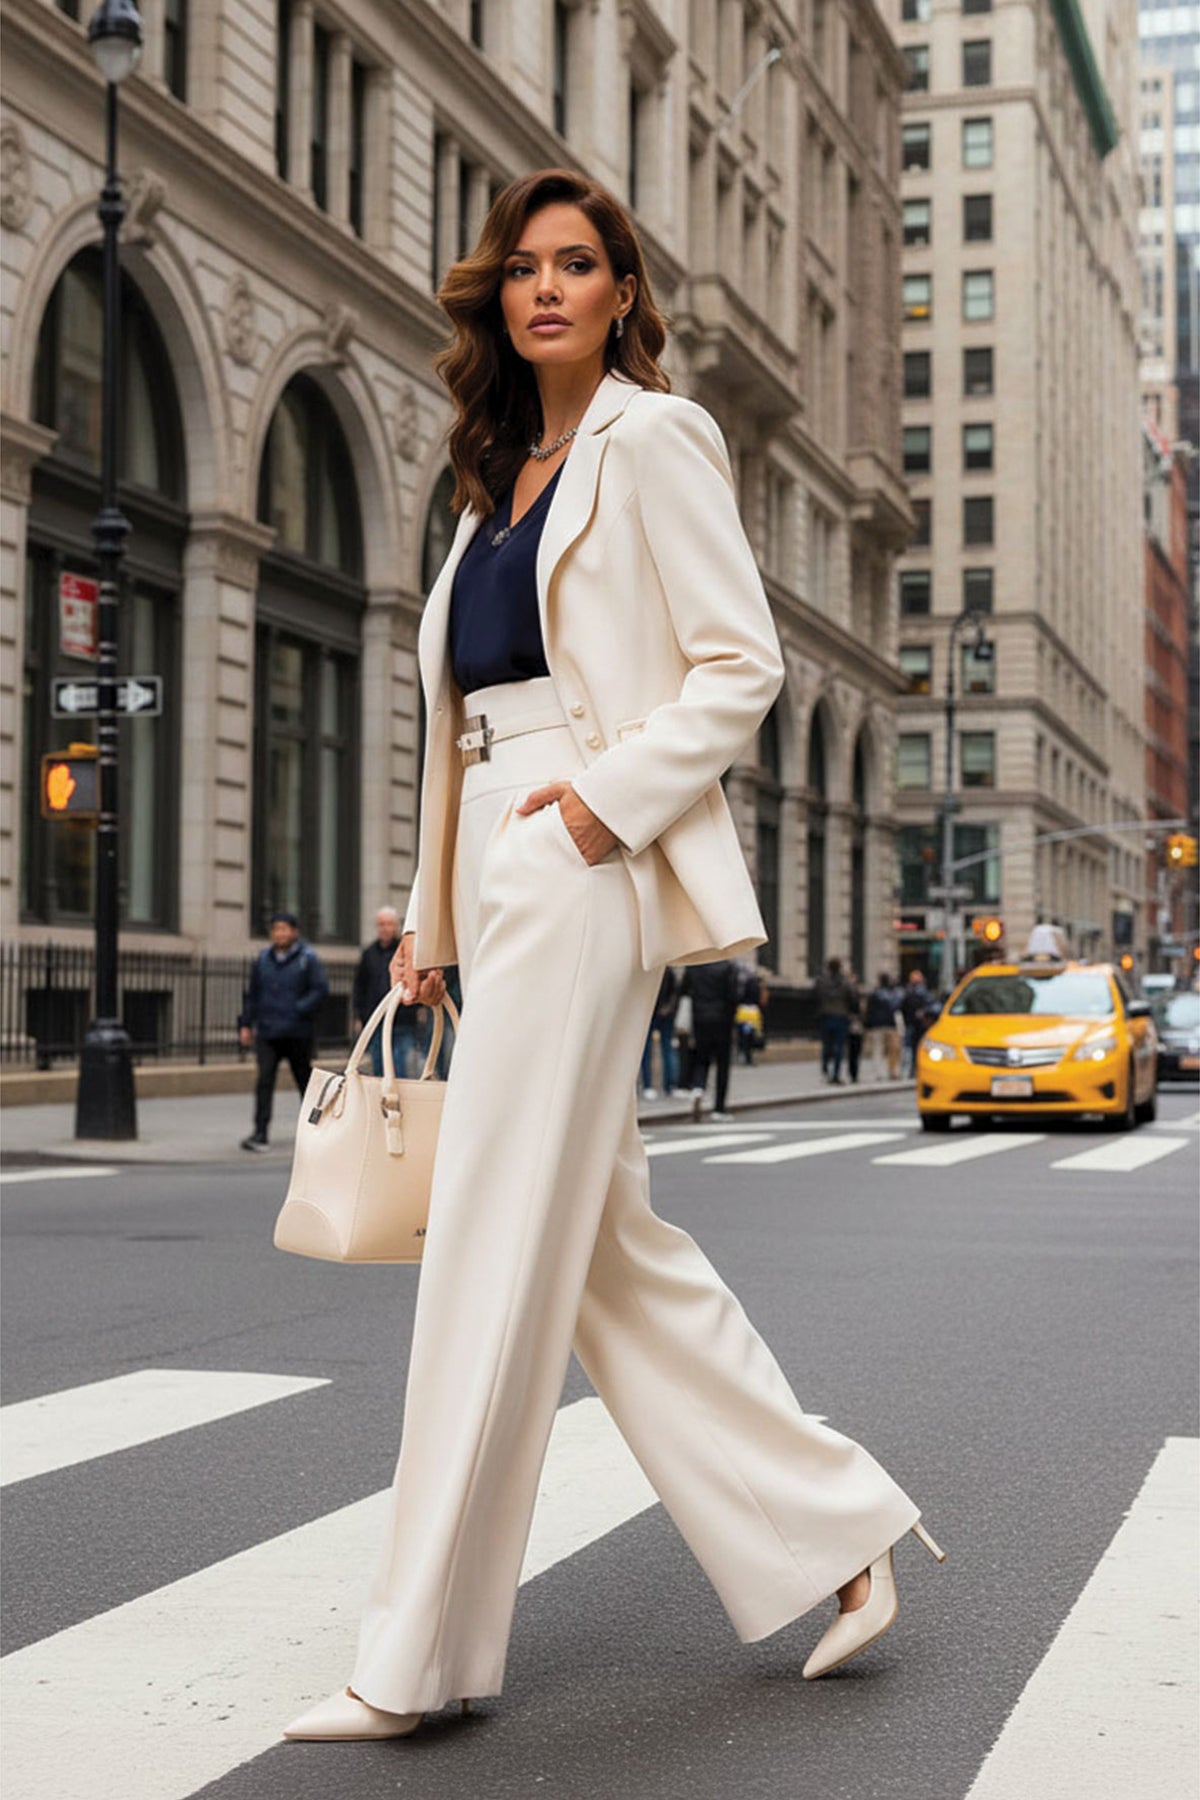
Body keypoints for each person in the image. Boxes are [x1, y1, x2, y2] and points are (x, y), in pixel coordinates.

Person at [283, 168, 943, 1745]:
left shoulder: (657, 438)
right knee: (600, 1251)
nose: (550, 289)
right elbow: (452, 724)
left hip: (582, 854)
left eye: (581, 265)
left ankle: (419, 1653)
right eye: (525, 269)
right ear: (498, 298)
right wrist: (430, 917)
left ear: (624, 295)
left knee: (495, 1249)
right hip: (497, 860)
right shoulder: (488, 474)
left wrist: (597, 815)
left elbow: (740, 665)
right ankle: (838, 1529)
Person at [237, 912, 328, 1152]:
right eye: (276, 929)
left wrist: (299, 1009)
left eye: (284, 929)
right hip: (268, 1032)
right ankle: (260, 1132)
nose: (280, 934)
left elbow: (320, 990)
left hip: (297, 1032)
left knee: (304, 1082)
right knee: (264, 1082)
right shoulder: (262, 960)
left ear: (294, 932)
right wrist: (246, 1024)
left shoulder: (307, 959)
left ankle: (314, 1131)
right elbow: (252, 995)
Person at [352, 906, 426, 1078]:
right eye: (381, 924)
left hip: (403, 1018)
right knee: (379, 1066)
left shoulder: (406, 952)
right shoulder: (369, 953)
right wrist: (359, 1014)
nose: (385, 928)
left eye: (389, 924)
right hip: (376, 1018)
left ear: (396, 927)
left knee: (400, 1065)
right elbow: (360, 985)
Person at [682, 958, 740, 1121]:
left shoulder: (694, 966)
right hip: (722, 1020)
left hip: (699, 1017)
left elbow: (684, 991)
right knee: (722, 1064)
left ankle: (698, 1088)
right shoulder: (728, 967)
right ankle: (719, 1108)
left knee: (702, 1058)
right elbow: (733, 995)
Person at [639, 965, 680, 1099]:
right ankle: (669, 1085)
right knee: (667, 1049)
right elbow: (675, 993)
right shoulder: (669, 970)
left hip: (649, 1013)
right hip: (665, 1014)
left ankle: (648, 1085)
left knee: (647, 1051)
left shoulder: (648, 970)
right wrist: (668, 1008)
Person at [813, 955, 855, 1084]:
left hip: (826, 1016)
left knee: (826, 1045)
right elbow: (852, 999)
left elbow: (815, 996)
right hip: (841, 1017)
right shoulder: (845, 982)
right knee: (839, 1046)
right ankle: (836, 1073)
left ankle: (825, 1068)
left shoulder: (821, 981)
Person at [865, 973, 903, 1081]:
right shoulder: (879, 994)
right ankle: (884, 1072)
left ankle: (889, 1071)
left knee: (889, 1049)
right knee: (883, 1048)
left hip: (887, 1024)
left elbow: (869, 1010)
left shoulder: (891, 993)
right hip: (883, 1024)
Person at [901, 968, 937, 1076]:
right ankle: (917, 1070)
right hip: (920, 1025)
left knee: (911, 1048)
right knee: (919, 1048)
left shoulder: (907, 993)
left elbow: (903, 1008)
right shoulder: (923, 994)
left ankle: (912, 1070)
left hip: (913, 1025)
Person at [845, 972, 865, 1084]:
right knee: (854, 1049)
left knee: (855, 1049)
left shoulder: (855, 992)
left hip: (855, 1023)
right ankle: (854, 1073)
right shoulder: (849, 992)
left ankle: (854, 1072)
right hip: (852, 1022)